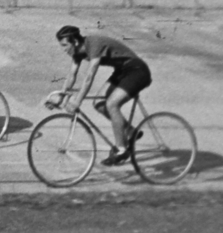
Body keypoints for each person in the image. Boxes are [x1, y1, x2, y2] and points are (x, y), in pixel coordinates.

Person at [50, 25, 152, 167]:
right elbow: (72, 75)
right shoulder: (77, 53)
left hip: (137, 71)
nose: (63, 49)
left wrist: (77, 101)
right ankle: (130, 131)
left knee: (112, 104)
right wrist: (61, 96)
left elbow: (90, 76)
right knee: (99, 104)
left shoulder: (94, 44)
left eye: (65, 45)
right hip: (122, 72)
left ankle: (121, 150)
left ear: (76, 42)